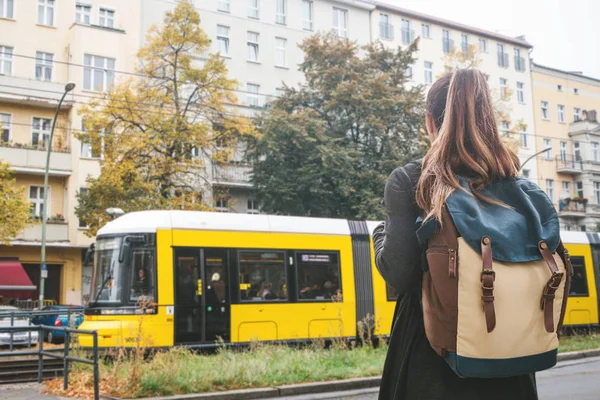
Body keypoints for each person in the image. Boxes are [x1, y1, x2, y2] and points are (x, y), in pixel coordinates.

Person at [373, 70, 538, 400]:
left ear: (430, 123)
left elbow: (398, 271)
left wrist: (379, 233)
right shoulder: (518, 187)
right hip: (510, 357)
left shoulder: (412, 180)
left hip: (433, 358)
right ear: (486, 119)